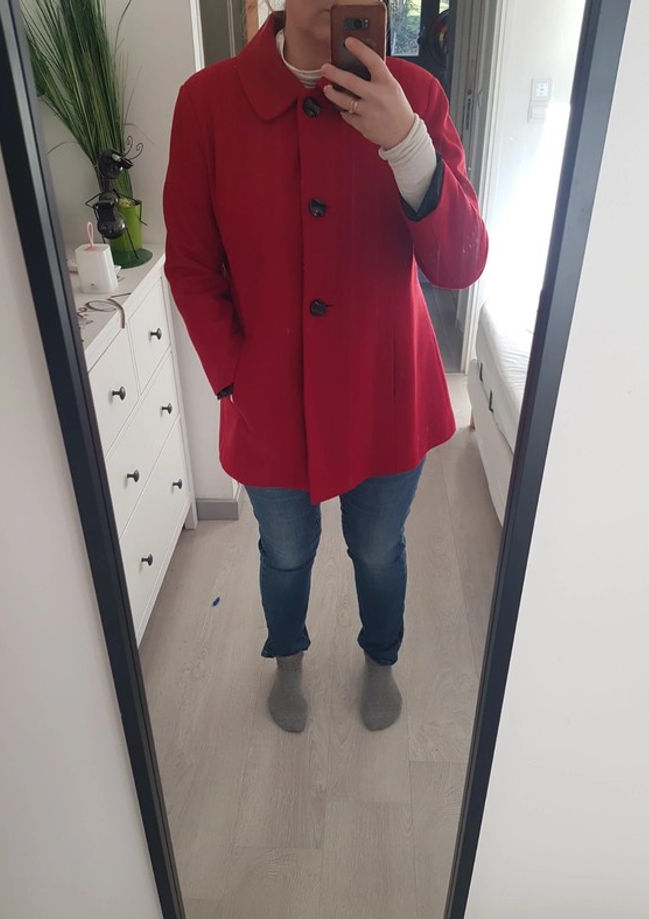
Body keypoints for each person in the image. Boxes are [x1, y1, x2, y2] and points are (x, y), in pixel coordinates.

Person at [162, 1, 488, 734]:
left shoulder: (416, 96)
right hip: (267, 399)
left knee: (377, 549)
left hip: (386, 392)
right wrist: (234, 377)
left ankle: (381, 656)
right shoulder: (208, 103)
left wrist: (406, 143)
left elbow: (461, 264)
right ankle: (288, 655)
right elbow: (191, 263)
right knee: (284, 552)